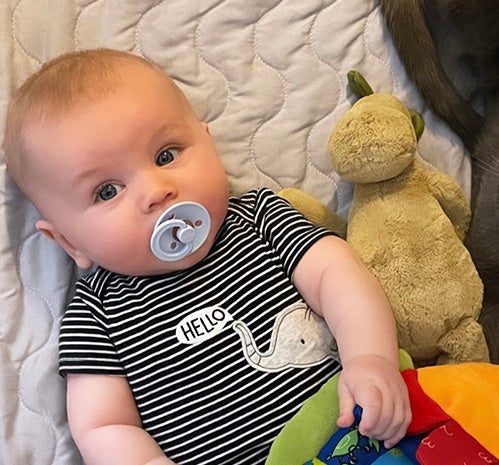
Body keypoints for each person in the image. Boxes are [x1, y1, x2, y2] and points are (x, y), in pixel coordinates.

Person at [3, 49, 411, 465]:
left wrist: (370, 359)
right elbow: (103, 426)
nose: (156, 190)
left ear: (207, 142)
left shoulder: (258, 218)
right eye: (107, 191)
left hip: (358, 438)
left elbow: (338, 276)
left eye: (167, 155)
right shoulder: (96, 313)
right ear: (70, 242)